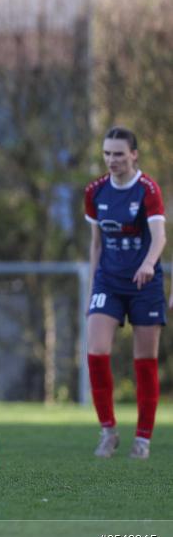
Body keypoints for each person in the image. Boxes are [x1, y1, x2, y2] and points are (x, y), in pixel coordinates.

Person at [84, 126, 165, 460]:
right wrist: (93, 288)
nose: (112, 160)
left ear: (134, 155)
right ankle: (108, 431)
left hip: (145, 283)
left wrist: (147, 264)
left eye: (118, 153)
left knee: (144, 361)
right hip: (109, 282)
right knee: (96, 351)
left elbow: (159, 238)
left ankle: (142, 439)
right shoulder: (95, 192)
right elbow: (96, 244)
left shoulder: (147, 190)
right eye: (107, 153)